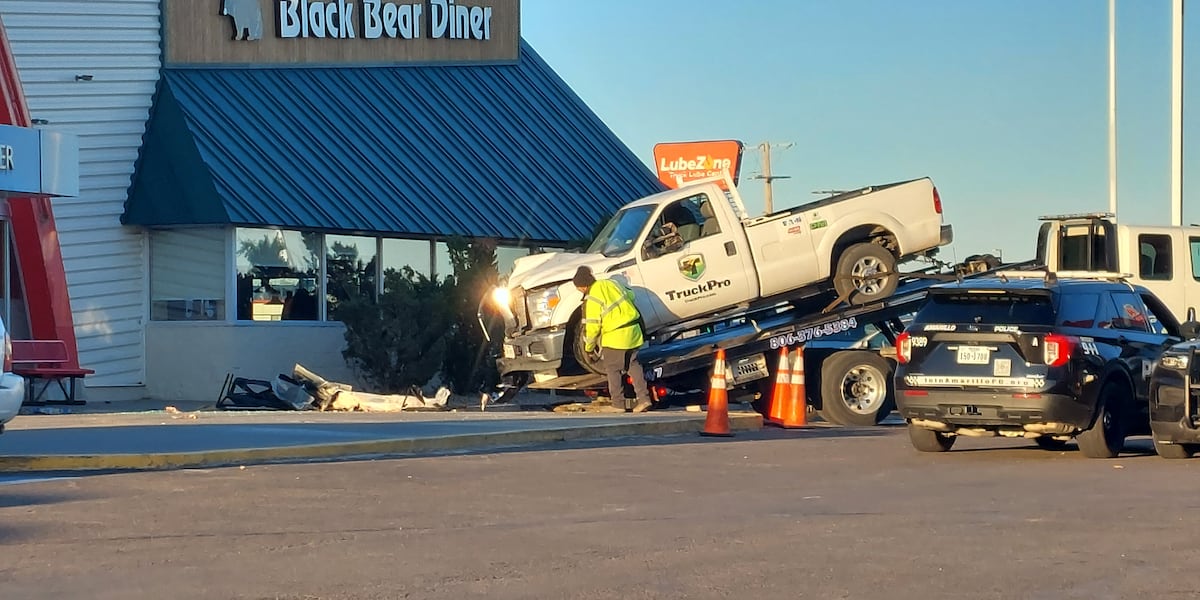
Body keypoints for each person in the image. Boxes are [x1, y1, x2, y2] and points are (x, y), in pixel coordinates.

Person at [573, 266, 654, 413]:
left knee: (612, 369)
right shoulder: (612, 284)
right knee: (633, 365)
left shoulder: (592, 298)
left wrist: (589, 348)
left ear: (583, 286)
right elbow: (631, 296)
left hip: (615, 336)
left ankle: (617, 404)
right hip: (633, 330)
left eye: (579, 288)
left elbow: (592, 326)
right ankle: (644, 399)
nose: (579, 291)